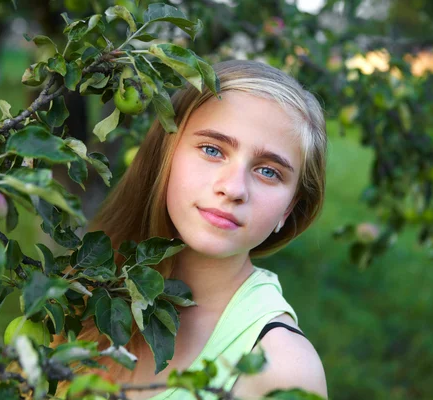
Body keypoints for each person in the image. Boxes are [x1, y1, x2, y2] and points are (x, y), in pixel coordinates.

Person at [56, 59, 328, 399]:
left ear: (288, 208)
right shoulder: (89, 287)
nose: (233, 189)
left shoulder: (282, 369)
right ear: (165, 154)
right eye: (213, 150)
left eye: (268, 171)